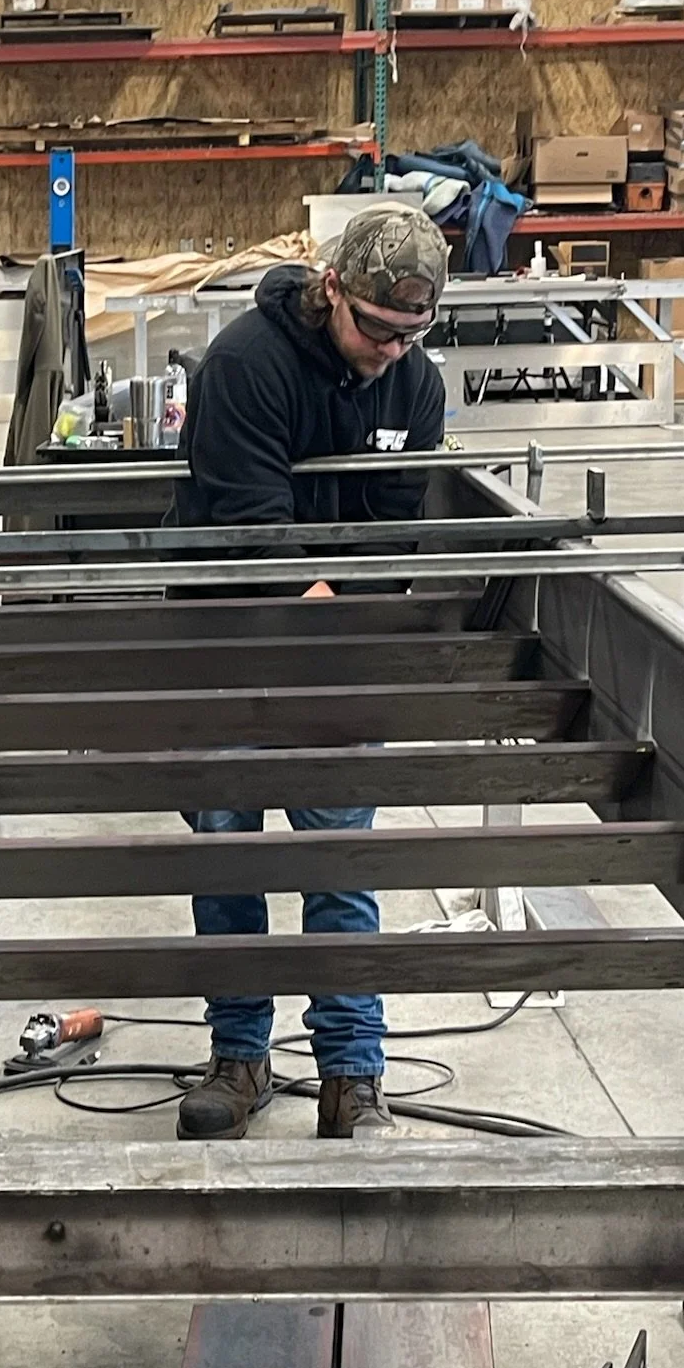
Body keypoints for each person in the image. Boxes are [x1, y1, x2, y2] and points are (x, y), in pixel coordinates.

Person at [169, 201, 450, 1144]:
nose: (391, 353)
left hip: (336, 657)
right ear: (333, 289)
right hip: (231, 648)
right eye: (377, 329)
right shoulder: (245, 366)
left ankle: (352, 1074)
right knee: (229, 859)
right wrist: (328, 599)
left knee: (340, 862)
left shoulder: (415, 385)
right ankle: (239, 1058)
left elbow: (397, 528)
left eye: (413, 335)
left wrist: (359, 622)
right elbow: (250, 527)